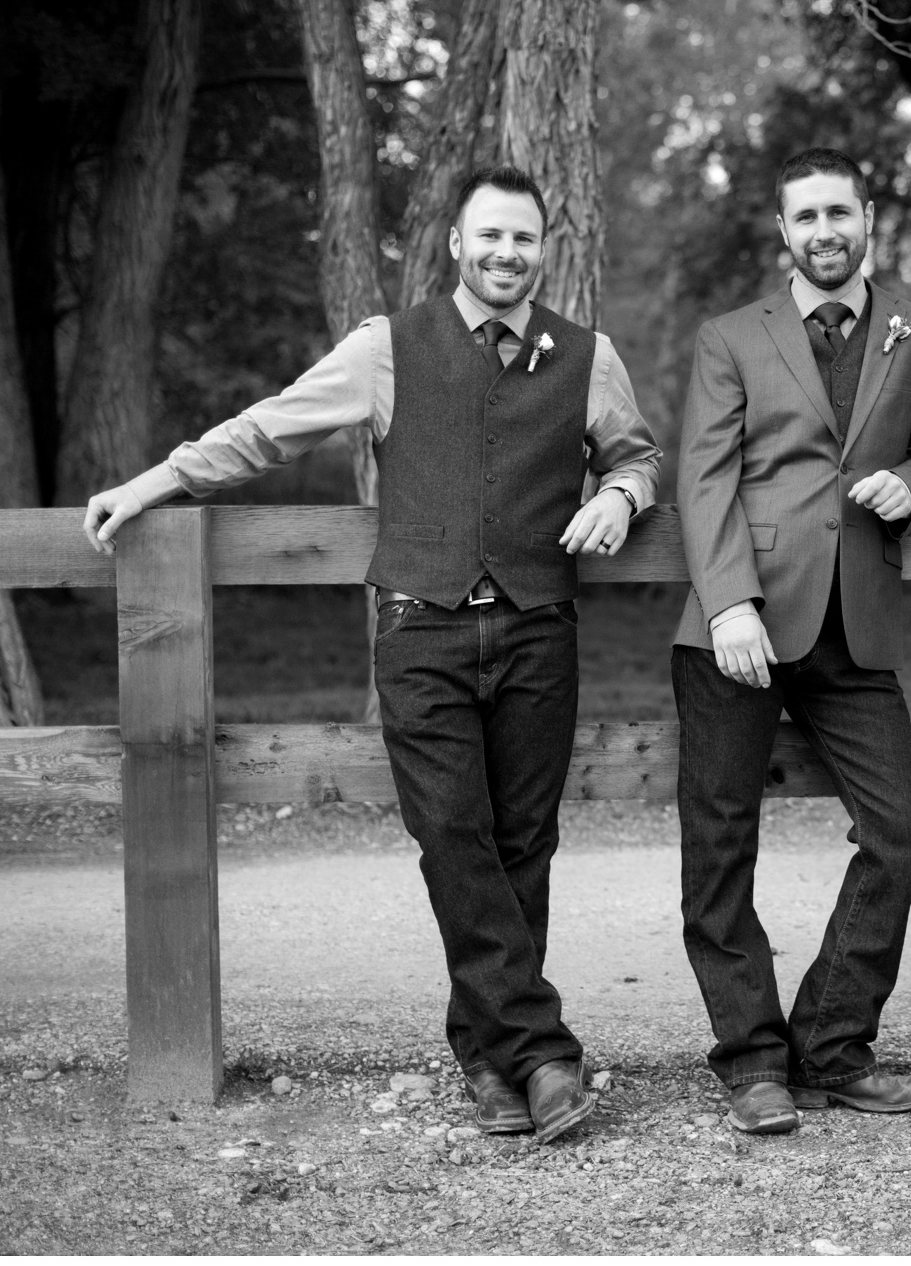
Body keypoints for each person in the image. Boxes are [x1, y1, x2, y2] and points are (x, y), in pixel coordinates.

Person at [82, 166, 661, 1143]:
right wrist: (156, 482)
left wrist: (620, 496)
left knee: (525, 843)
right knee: (452, 837)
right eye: (491, 236)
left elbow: (636, 453)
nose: (507, 254)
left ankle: (488, 1057)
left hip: (537, 630)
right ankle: (544, 1051)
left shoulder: (587, 356)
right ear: (455, 244)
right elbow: (269, 428)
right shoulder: (386, 349)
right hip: (420, 627)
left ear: (542, 249)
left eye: (523, 239)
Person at [673, 147, 911, 1135]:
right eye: (807, 216)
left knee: (904, 833)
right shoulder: (729, 337)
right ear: (782, 231)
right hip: (735, 627)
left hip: (854, 627)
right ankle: (751, 1059)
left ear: (867, 216)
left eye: (842, 210)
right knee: (718, 846)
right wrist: (729, 605)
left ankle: (829, 1044)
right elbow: (702, 479)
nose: (825, 229)